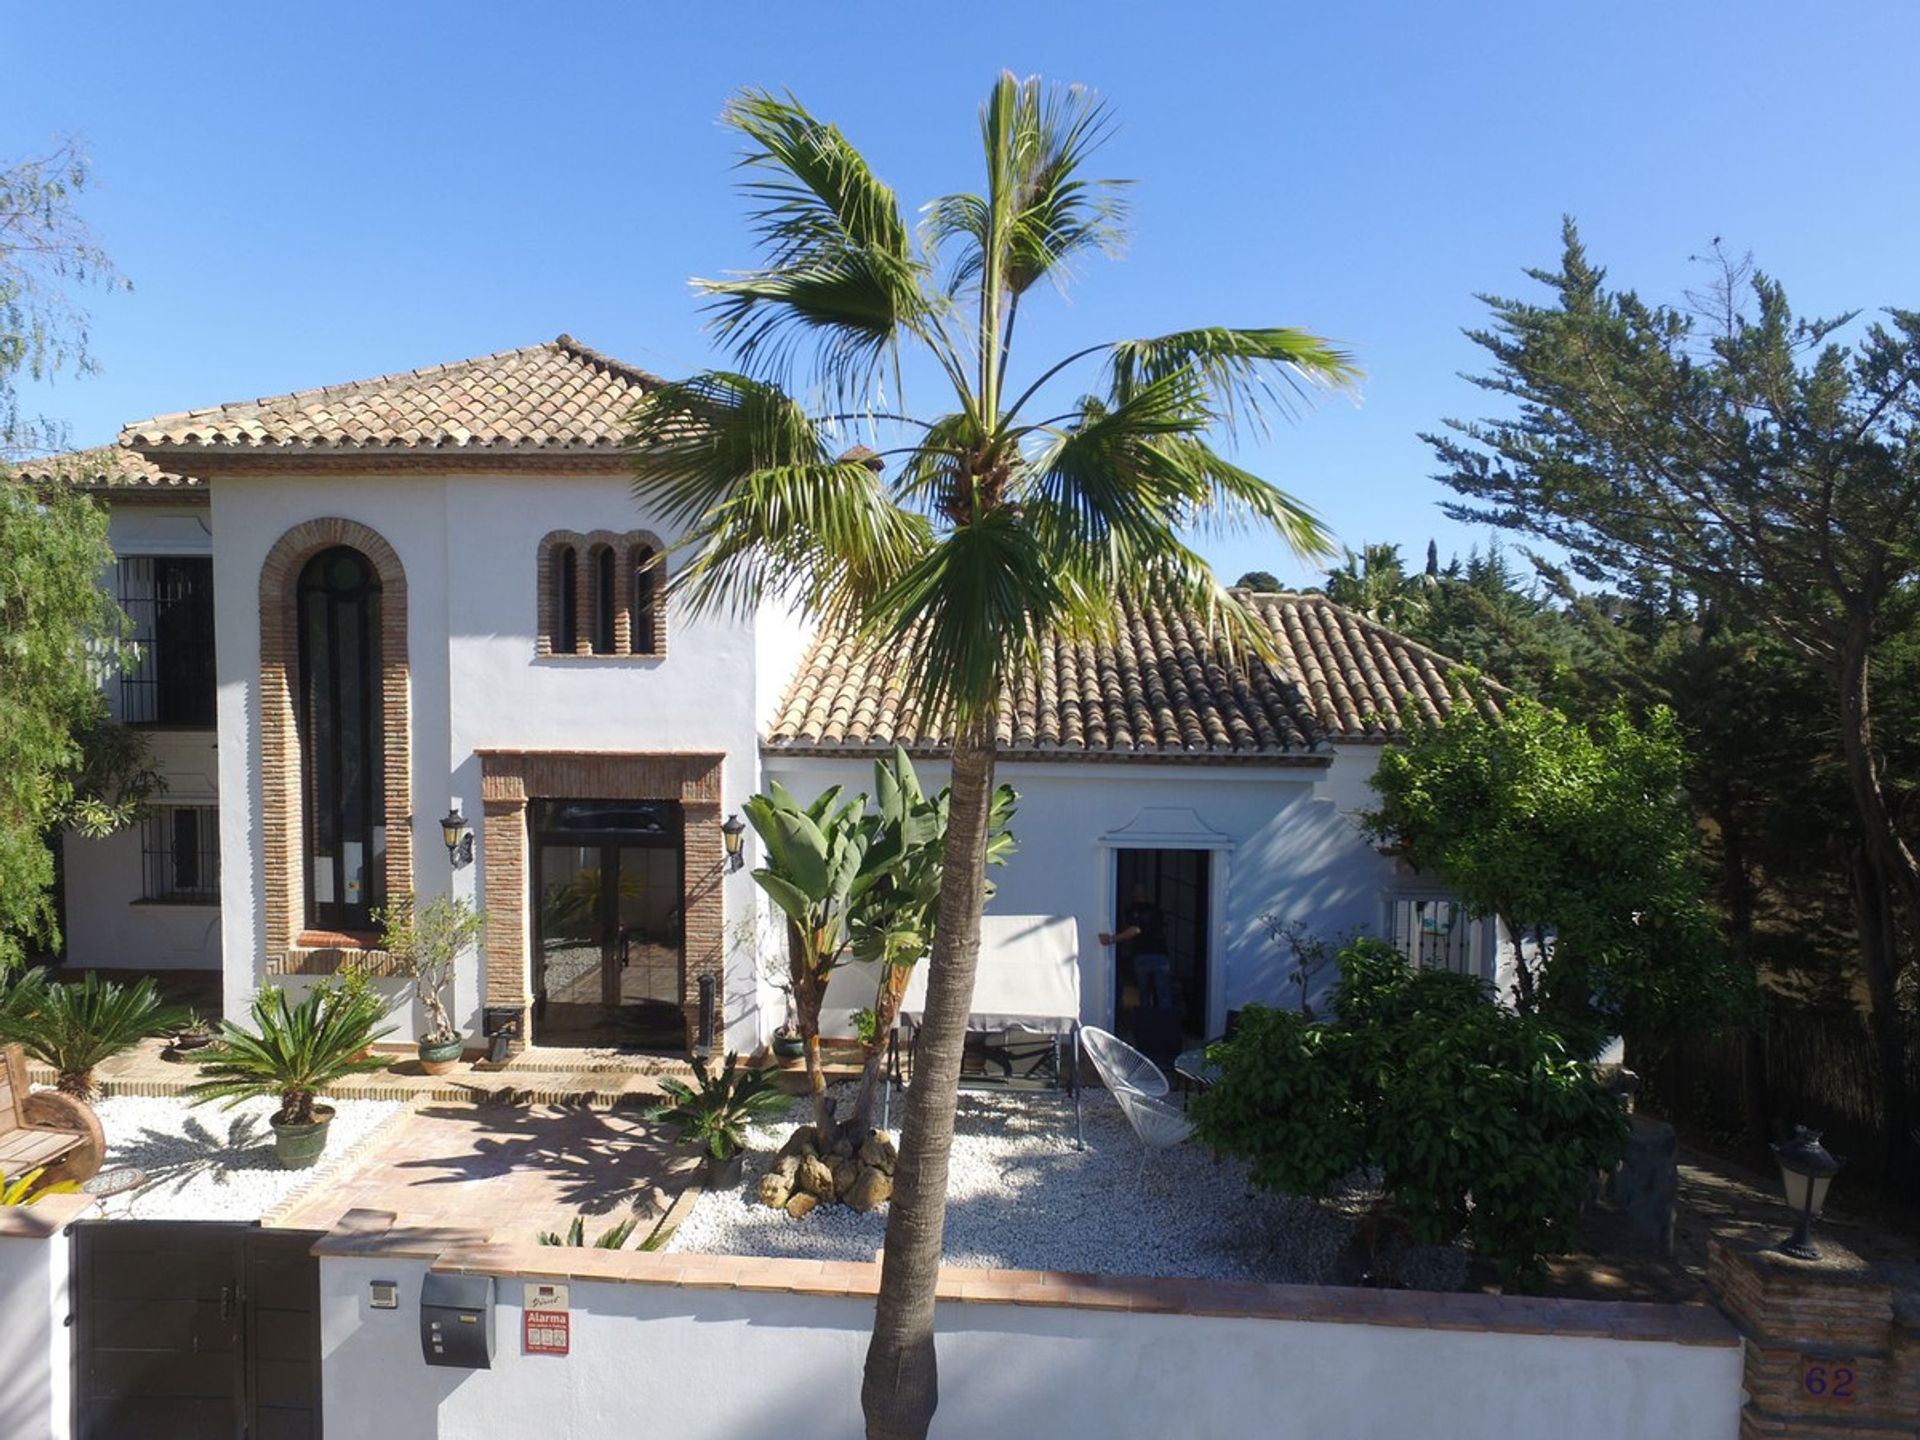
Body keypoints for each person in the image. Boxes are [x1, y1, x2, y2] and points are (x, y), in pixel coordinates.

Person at [1100, 885, 1172, 1011]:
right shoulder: (1156, 910)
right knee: (1163, 994)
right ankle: (1164, 1027)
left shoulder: (1132, 911)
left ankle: (1146, 1026)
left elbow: (1135, 930)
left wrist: (1112, 939)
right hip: (1160, 955)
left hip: (1143, 955)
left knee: (1144, 994)